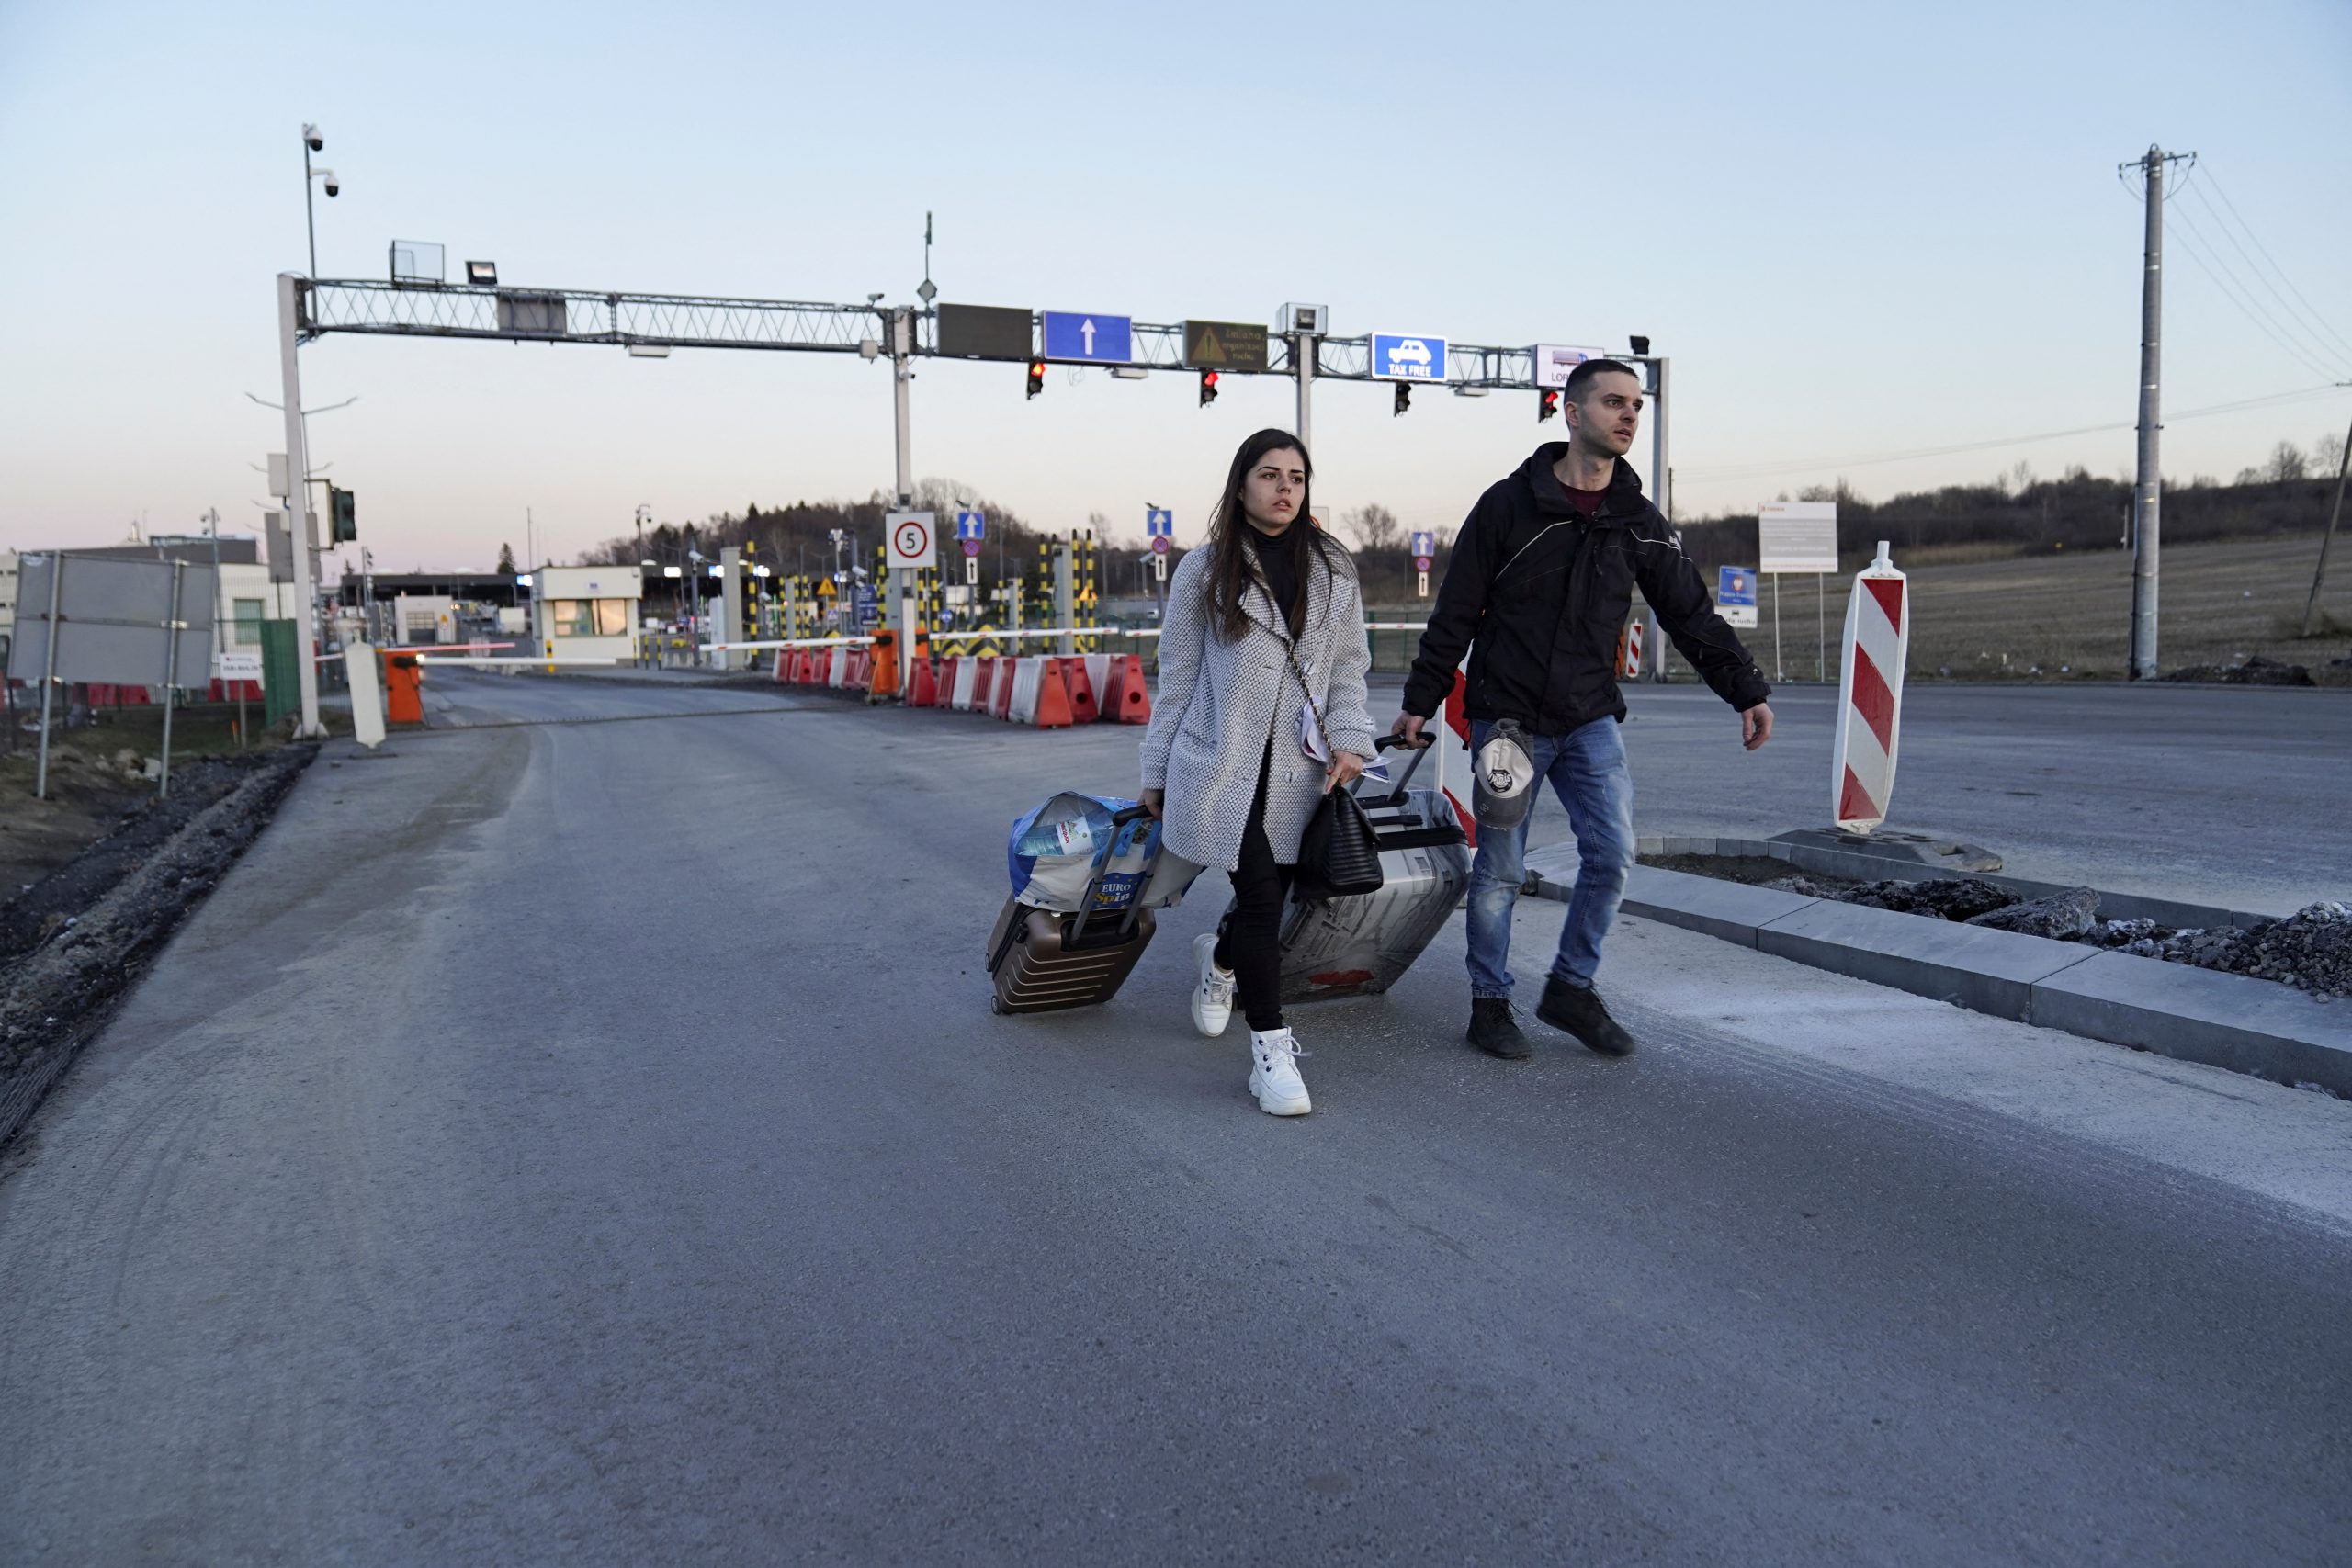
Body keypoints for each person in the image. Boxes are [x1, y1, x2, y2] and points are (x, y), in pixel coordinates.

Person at [1393, 359, 1775, 1060]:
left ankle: (1571, 984)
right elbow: (1456, 612)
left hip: (1590, 717)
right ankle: (1490, 1002)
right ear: (1573, 413)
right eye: (1612, 402)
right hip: (1507, 720)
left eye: (1635, 404)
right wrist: (1421, 700)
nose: (1629, 415)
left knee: (1613, 853)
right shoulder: (1509, 505)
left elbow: (1688, 613)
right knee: (1502, 867)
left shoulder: (1638, 520)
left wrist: (1744, 688)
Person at [1141, 429, 1376, 1117]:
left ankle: (1218, 961)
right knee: (1265, 895)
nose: (1285, 488)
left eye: (1297, 477)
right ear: (1241, 484)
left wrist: (1351, 739)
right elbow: (1178, 677)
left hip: (1301, 770)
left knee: (1274, 893)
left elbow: (1347, 668)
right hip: (1223, 762)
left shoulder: (1334, 568)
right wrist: (1155, 767)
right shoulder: (1205, 569)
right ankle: (1271, 1049)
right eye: (1270, 474)